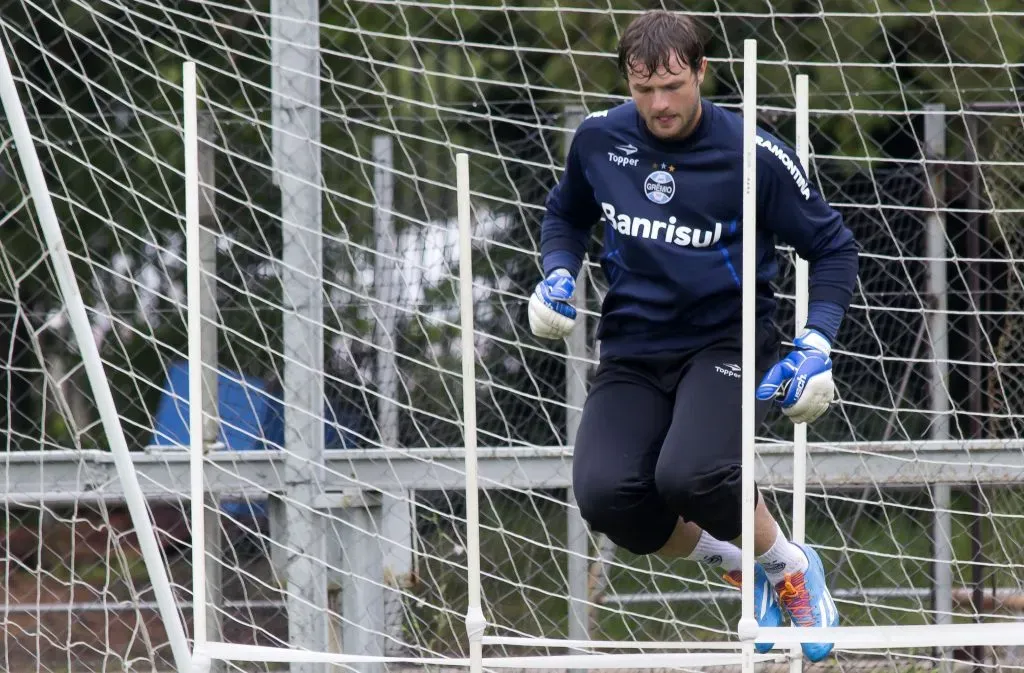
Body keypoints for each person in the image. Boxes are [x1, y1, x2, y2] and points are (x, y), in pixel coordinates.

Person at [527, 10, 857, 662]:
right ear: (628, 82)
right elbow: (565, 213)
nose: (659, 104)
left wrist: (817, 343)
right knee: (608, 500)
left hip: (726, 341)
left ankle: (789, 568)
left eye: (673, 86)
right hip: (632, 347)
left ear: (702, 72)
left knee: (692, 474)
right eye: (644, 89)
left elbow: (833, 246)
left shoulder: (752, 154)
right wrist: (557, 273)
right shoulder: (599, 140)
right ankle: (741, 562)